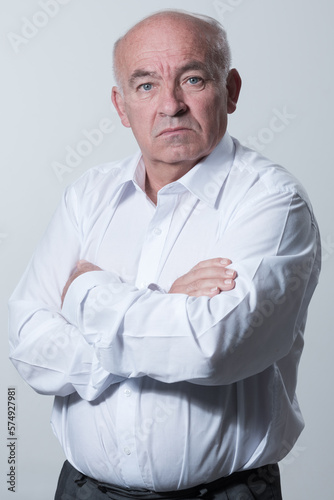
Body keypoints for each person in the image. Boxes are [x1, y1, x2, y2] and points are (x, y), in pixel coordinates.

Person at [8, 9, 321, 500]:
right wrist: (165, 303)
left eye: (192, 79)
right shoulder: (88, 195)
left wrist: (88, 294)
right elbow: (28, 345)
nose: (171, 105)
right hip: (83, 490)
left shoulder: (273, 201)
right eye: (146, 85)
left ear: (231, 89)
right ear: (121, 105)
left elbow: (213, 346)